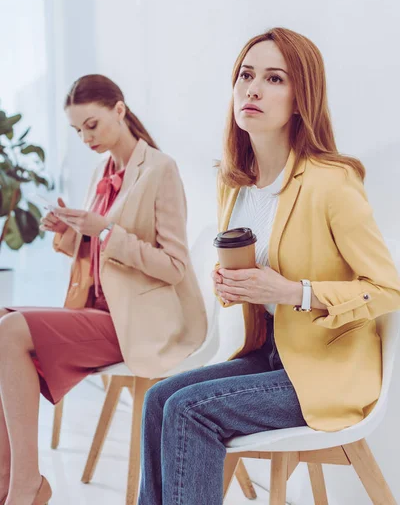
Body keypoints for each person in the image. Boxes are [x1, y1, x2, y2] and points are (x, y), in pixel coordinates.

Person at [137, 28, 400, 505]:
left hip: (325, 368)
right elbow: (248, 286)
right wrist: (229, 286)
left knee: (190, 410)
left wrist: (293, 292)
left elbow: (387, 290)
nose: (253, 89)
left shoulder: (332, 182)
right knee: (159, 401)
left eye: (274, 78)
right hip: (268, 354)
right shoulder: (235, 184)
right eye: (245, 75)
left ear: (301, 98)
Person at [0, 74, 207, 505]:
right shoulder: (103, 170)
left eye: (91, 125)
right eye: (78, 130)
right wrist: (71, 232)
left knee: (10, 331)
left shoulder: (160, 169)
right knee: (2, 320)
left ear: (119, 109)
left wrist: (106, 232)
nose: (85, 137)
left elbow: (173, 267)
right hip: (97, 311)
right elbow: (99, 254)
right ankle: (7, 478)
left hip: (134, 322)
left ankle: (26, 484)